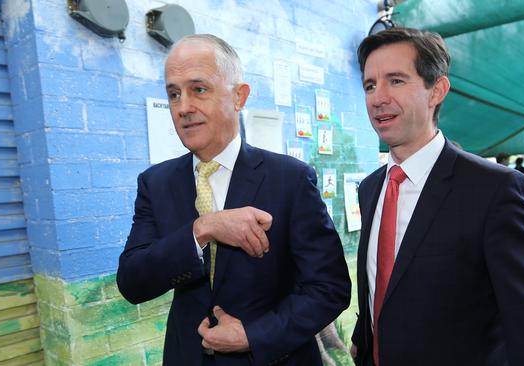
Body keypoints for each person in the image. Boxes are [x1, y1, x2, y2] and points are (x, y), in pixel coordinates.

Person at [116, 34, 350, 366]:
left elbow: (329, 288)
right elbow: (132, 282)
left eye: (199, 89)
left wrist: (253, 336)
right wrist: (202, 229)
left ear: (239, 96)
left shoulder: (290, 179)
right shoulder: (156, 183)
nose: (183, 107)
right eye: (173, 94)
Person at [350, 27, 524, 366]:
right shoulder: (371, 188)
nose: (378, 97)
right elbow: (380, 289)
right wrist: (365, 342)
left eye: (396, 81)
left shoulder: (494, 189)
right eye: (370, 84)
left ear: (437, 90)